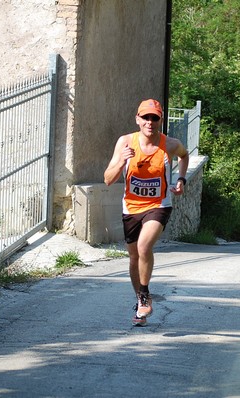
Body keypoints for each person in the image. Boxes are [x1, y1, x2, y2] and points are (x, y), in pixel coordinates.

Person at [104, 99, 189, 326]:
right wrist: (121, 160)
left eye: (155, 118)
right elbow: (108, 179)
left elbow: (184, 155)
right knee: (133, 257)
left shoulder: (169, 144)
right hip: (131, 207)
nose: (150, 122)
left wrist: (181, 179)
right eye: (145, 117)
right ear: (137, 119)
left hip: (159, 205)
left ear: (161, 120)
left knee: (144, 247)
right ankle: (141, 303)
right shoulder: (125, 142)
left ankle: (144, 297)